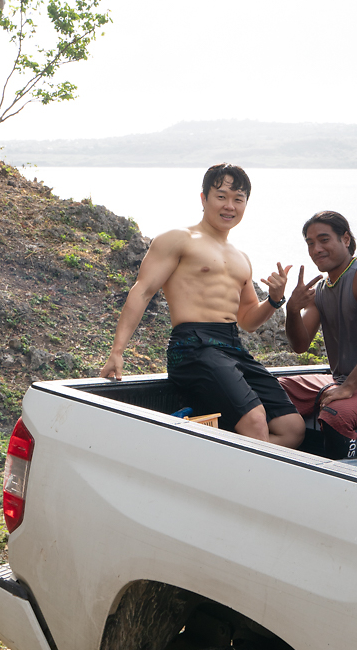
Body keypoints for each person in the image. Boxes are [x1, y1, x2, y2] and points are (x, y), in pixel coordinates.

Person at [100, 163, 305, 449]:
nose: (229, 206)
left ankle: (213, 448)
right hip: (193, 346)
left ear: (246, 203)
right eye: (221, 196)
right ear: (203, 198)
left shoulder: (241, 257)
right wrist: (117, 352)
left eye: (238, 199)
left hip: (232, 346)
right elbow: (143, 291)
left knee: (292, 428)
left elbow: (246, 320)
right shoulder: (179, 239)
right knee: (255, 423)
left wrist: (273, 299)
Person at [279, 210, 357, 459]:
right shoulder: (321, 289)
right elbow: (301, 344)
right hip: (340, 383)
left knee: (336, 414)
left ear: (345, 239)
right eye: (310, 243)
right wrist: (292, 310)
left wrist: (349, 387)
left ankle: (343, 483)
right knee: (273, 389)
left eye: (324, 239)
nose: (316, 248)